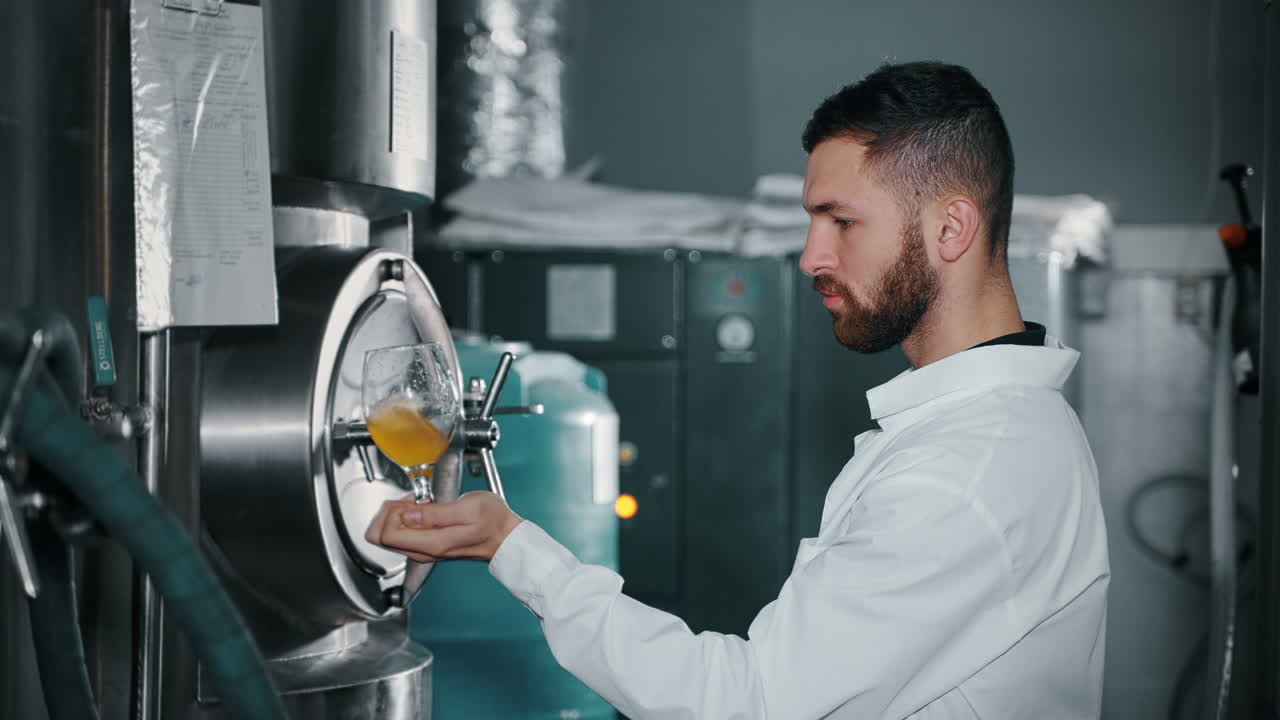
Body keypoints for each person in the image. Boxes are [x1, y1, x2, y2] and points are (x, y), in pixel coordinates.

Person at [367, 61, 1109, 719]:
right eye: (812, 220)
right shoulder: (989, 432)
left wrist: (516, 549)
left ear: (952, 228)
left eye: (842, 221)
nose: (812, 255)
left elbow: (747, 703)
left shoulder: (966, 473)